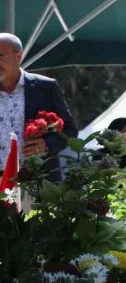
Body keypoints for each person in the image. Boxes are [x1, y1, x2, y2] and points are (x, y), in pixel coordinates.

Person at [0, 33, 77, 183]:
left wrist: (46, 145)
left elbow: (70, 131)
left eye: (0, 56)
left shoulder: (45, 87)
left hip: (36, 182)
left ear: (18, 56)